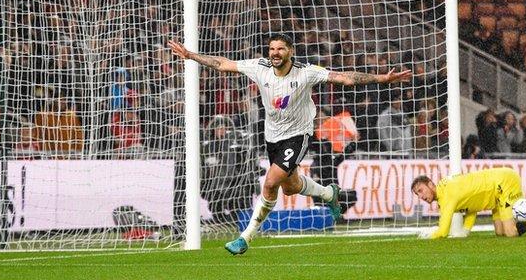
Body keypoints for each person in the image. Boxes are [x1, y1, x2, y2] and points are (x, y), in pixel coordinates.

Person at [169, 34, 412, 255]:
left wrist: (382, 78)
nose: (275, 53)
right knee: (291, 186)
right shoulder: (259, 67)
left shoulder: (306, 72)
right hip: (272, 136)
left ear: (290, 52)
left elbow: (345, 79)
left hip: (299, 134)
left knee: (271, 182)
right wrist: (191, 55)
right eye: (272, 48)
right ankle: (329, 193)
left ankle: (245, 237)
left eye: (281, 49)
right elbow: (223, 64)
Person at [411, 167, 526, 239]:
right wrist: (466, 230)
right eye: (417, 194)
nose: (421, 196)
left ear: (431, 184)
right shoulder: (444, 193)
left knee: (510, 232)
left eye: (421, 190)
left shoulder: (447, 196)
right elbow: (471, 207)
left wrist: (428, 235)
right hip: (494, 194)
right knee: (500, 232)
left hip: (503, 183)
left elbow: (442, 232)